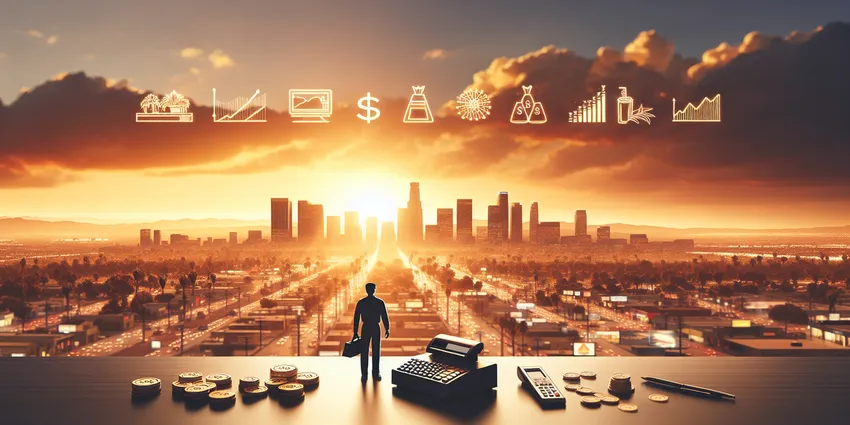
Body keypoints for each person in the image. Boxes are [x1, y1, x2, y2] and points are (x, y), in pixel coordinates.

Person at [353, 282, 390, 382]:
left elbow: (356, 318)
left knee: (365, 352)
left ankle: (365, 375)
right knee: (375, 351)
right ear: (374, 290)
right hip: (374, 327)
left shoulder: (361, 302)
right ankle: (375, 373)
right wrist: (387, 328)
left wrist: (355, 331)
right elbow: (384, 317)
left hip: (367, 327)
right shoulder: (379, 302)